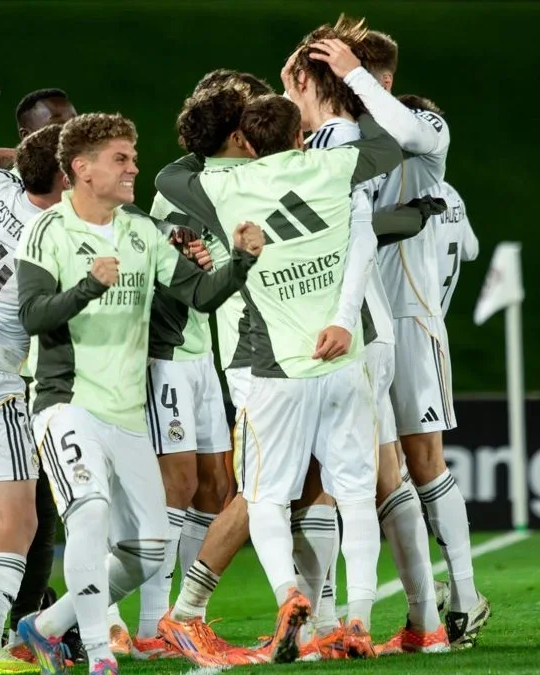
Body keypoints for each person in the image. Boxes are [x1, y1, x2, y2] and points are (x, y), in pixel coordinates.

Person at [154, 94, 412, 663]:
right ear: (301, 133)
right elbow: (391, 145)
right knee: (354, 496)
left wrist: (218, 142)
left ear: (247, 139)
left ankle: (287, 595)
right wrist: (352, 88)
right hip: (343, 361)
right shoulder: (331, 167)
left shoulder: (224, 190)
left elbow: (170, 176)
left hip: (272, 367)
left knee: (264, 496)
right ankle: (358, 621)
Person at [11, 112, 262, 675]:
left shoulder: (141, 231)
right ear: (82, 169)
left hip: (126, 413)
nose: (133, 167)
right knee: (90, 511)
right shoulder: (48, 231)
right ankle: (100, 654)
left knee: (148, 550)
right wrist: (86, 286)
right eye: (120, 158)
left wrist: (241, 261)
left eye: (133, 155)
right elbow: (31, 315)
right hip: (65, 403)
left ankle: (47, 628)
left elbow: (199, 295)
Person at [311, 27, 492, 649]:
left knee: (422, 462)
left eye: (349, 77)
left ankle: (463, 593)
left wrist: (354, 73)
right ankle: (357, 616)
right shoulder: (344, 140)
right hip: (354, 324)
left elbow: (414, 144)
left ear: (377, 79)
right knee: (353, 472)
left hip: (410, 320)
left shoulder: (422, 129)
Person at [104, 75, 271, 660]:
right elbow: (174, 268)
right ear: (234, 130)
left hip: (205, 351)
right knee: (174, 484)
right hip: (169, 349)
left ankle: (177, 619)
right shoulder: (184, 184)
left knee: (215, 487)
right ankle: (147, 626)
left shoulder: (218, 178)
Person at [0, 88, 81, 669]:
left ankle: (14, 630)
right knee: (16, 515)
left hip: (12, 370)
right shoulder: (57, 219)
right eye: (62, 132)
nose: (77, 139)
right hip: (11, 374)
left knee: (37, 515)